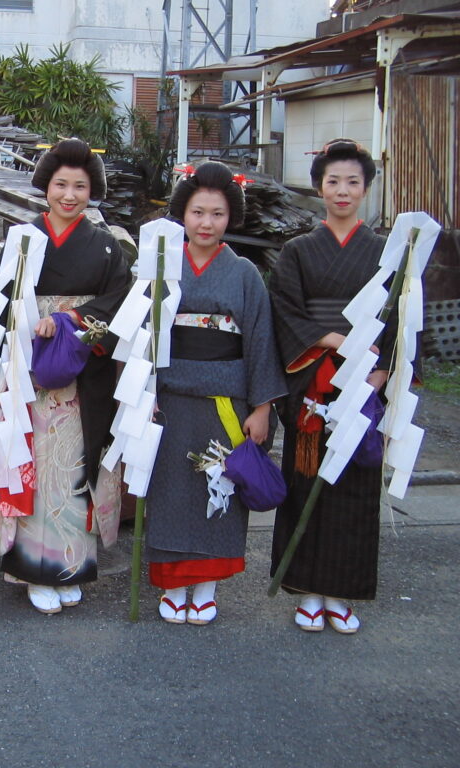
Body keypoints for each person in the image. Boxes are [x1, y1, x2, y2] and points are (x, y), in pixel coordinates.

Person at [0, 139, 132, 615]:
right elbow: (1, 297)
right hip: (27, 366)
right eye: (61, 184)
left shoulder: (105, 245)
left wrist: (70, 321)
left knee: (74, 470)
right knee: (30, 467)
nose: (69, 195)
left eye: (80, 186)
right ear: (46, 187)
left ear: (91, 191)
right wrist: (28, 323)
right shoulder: (22, 239)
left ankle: (71, 566)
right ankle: (32, 570)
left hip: (82, 372)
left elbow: (119, 303)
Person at [146, 161, 285, 626]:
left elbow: (261, 340)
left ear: (231, 217)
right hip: (169, 399)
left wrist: (262, 406)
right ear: (182, 214)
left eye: (218, 214)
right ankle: (172, 585)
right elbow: (143, 334)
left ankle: (206, 586)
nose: (206, 223)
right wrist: (141, 392)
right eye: (198, 212)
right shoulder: (162, 264)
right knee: (170, 493)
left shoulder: (244, 273)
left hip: (226, 402)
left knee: (218, 490)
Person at [268, 139, 395, 634]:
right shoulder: (298, 250)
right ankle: (306, 589)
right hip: (314, 378)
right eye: (333, 181)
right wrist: (332, 339)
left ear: (366, 188)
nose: (343, 190)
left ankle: (341, 593)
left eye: (353, 182)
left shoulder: (385, 253)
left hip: (363, 377)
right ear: (319, 187)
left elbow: (399, 318)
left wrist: (381, 371)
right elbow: (285, 310)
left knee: (355, 485)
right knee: (307, 480)